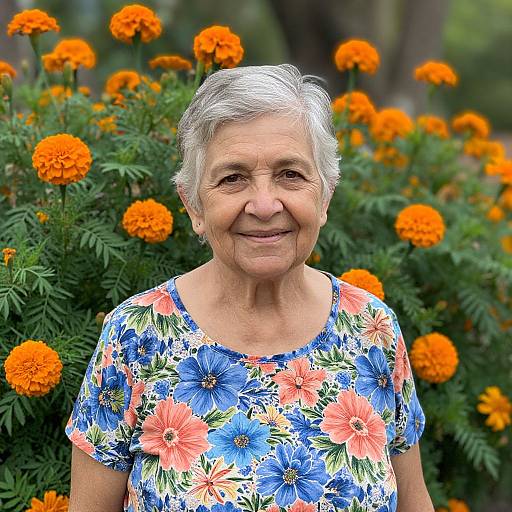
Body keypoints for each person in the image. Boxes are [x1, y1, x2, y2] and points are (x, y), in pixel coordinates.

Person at [66, 64, 434, 512]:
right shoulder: (136, 336)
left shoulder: (372, 328)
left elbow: (414, 502)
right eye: (233, 178)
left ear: (326, 196)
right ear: (193, 205)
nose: (263, 205)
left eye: (290, 174)